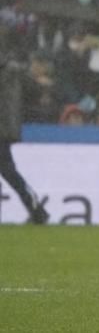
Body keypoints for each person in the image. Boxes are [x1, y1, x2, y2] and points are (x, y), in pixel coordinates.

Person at [0, 32, 49, 224]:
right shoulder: (15, 71)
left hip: (3, 128)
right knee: (10, 172)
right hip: (7, 129)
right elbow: (35, 93)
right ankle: (37, 210)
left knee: (10, 172)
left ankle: (37, 210)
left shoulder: (13, 71)